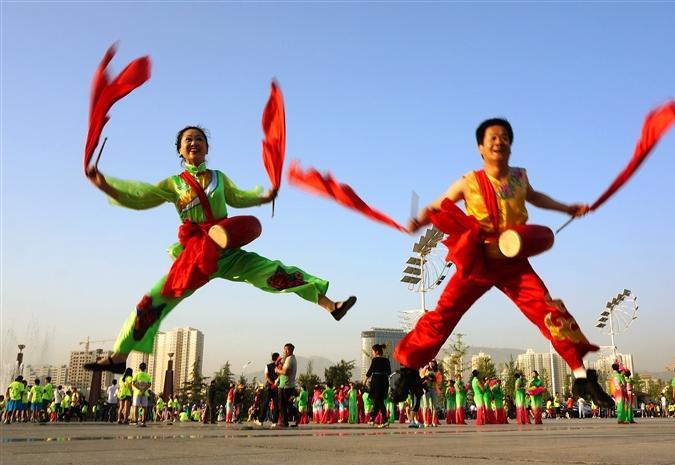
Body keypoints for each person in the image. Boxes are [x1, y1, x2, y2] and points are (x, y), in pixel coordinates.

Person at [84, 126, 356, 374]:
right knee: (154, 300)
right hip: (196, 255)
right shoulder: (174, 184)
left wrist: (263, 197)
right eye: (188, 140)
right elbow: (141, 197)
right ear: (180, 150)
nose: (194, 143)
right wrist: (105, 185)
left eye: (199, 139)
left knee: (275, 273)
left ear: (207, 148)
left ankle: (331, 306)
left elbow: (239, 197)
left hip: (227, 248)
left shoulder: (219, 178)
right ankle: (119, 356)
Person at [392, 118, 612, 407]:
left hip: (513, 261)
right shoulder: (468, 182)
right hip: (479, 260)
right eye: (492, 138)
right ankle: (408, 369)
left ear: (511, 145)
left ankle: (581, 376)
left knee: (549, 310)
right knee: (444, 313)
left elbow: (536, 197)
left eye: (504, 137)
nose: (499, 141)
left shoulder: (520, 177)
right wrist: (418, 221)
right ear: (481, 148)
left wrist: (566, 208)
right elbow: (437, 205)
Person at [365, 344, 392, 428]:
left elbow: (370, 370)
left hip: (377, 381)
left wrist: (365, 379)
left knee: (379, 400)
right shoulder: (387, 360)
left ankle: (385, 420)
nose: (372, 353)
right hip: (384, 381)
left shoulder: (375, 360)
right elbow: (389, 372)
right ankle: (372, 419)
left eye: (373, 351)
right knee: (378, 400)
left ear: (376, 352)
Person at [275, 343, 299, 427]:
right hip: (286, 384)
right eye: (284, 349)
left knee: (282, 405)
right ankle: (286, 421)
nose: (285, 351)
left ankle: (289, 419)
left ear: (291, 350)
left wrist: (277, 370)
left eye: (287, 349)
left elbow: (285, 372)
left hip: (286, 385)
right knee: (285, 404)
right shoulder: (289, 358)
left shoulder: (290, 359)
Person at [256, 353, 280, 427]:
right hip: (277, 387)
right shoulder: (280, 366)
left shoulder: (268, 366)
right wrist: (276, 384)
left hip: (269, 387)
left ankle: (260, 421)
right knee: (276, 405)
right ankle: (274, 422)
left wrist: (272, 384)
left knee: (265, 404)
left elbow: (266, 377)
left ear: (272, 359)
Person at [133, 362, 152, 427]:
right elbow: (149, 384)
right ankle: (143, 421)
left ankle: (135, 421)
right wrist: (144, 389)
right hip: (145, 393)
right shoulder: (147, 375)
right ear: (145, 368)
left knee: (136, 406)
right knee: (144, 407)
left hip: (137, 393)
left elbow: (133, 383)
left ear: (139, 368)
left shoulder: (137, 374)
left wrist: (140, 389)